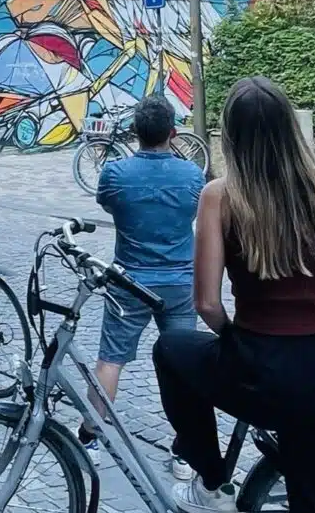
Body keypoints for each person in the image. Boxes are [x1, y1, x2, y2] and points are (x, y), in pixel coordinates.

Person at [153, 77, 315, 512]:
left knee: (171, 349)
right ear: (290, 127)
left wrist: (236, 339)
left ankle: (211, 476)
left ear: (231, 136)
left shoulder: (221, 197)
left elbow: (206, 304)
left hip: (262, 371)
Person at [77, 95, 204, 471]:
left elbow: (108, 204)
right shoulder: (192, 175)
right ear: (173, 133)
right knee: (185, 366)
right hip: (179, 283)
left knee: (110, 360)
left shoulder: (115, 173)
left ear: (134, 132)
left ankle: (90, 438)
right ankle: (186, 450)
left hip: (129, 281)